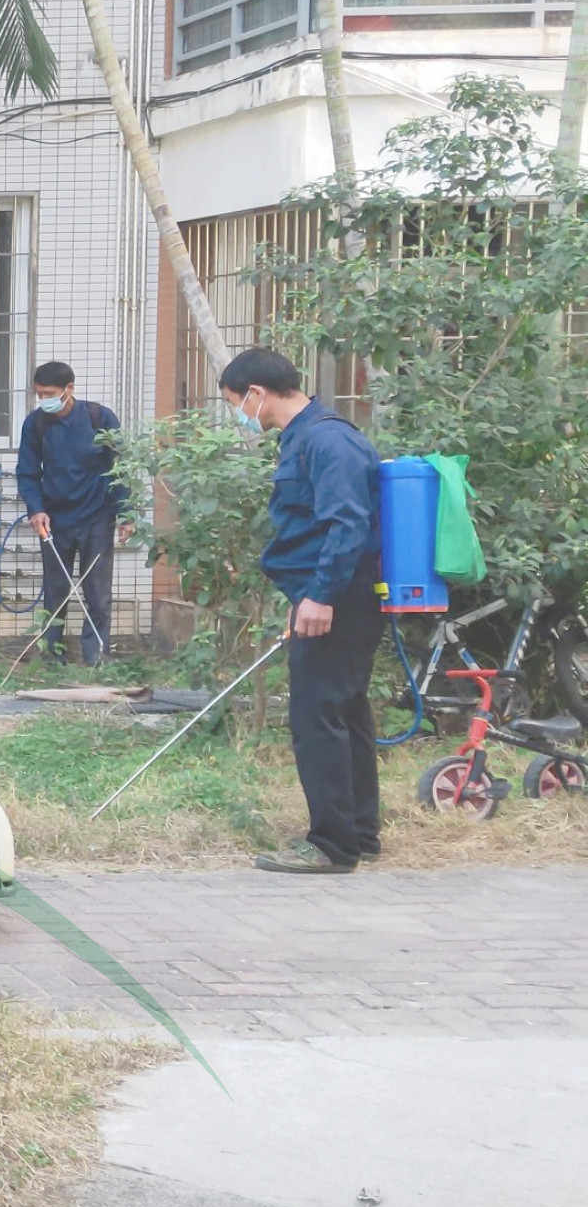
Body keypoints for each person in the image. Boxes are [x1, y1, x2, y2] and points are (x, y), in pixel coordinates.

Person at [223, 346, 385, 875]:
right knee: (344, 711)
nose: (239, 413)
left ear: (256, 393)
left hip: (339, 595)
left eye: (235, 402)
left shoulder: (327, 439)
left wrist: (321, 595)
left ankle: (333, 845)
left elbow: (346, 523)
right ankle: (359, 833)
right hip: (327, 592)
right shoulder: (303, 436)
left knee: (318, 716)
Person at [15, 360, 127, 666]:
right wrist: (36, 509)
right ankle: (52, 655)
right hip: (55, 520)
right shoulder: (35, 424)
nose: (43, 400)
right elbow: (27, 472)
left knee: (98, 593)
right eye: (39, 394)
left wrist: (126, 512)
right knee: (56, 590)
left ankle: (96, 656)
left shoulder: (99, 418)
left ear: (69, 389)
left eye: (49, 394)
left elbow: (121, 467)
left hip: (97, 517)